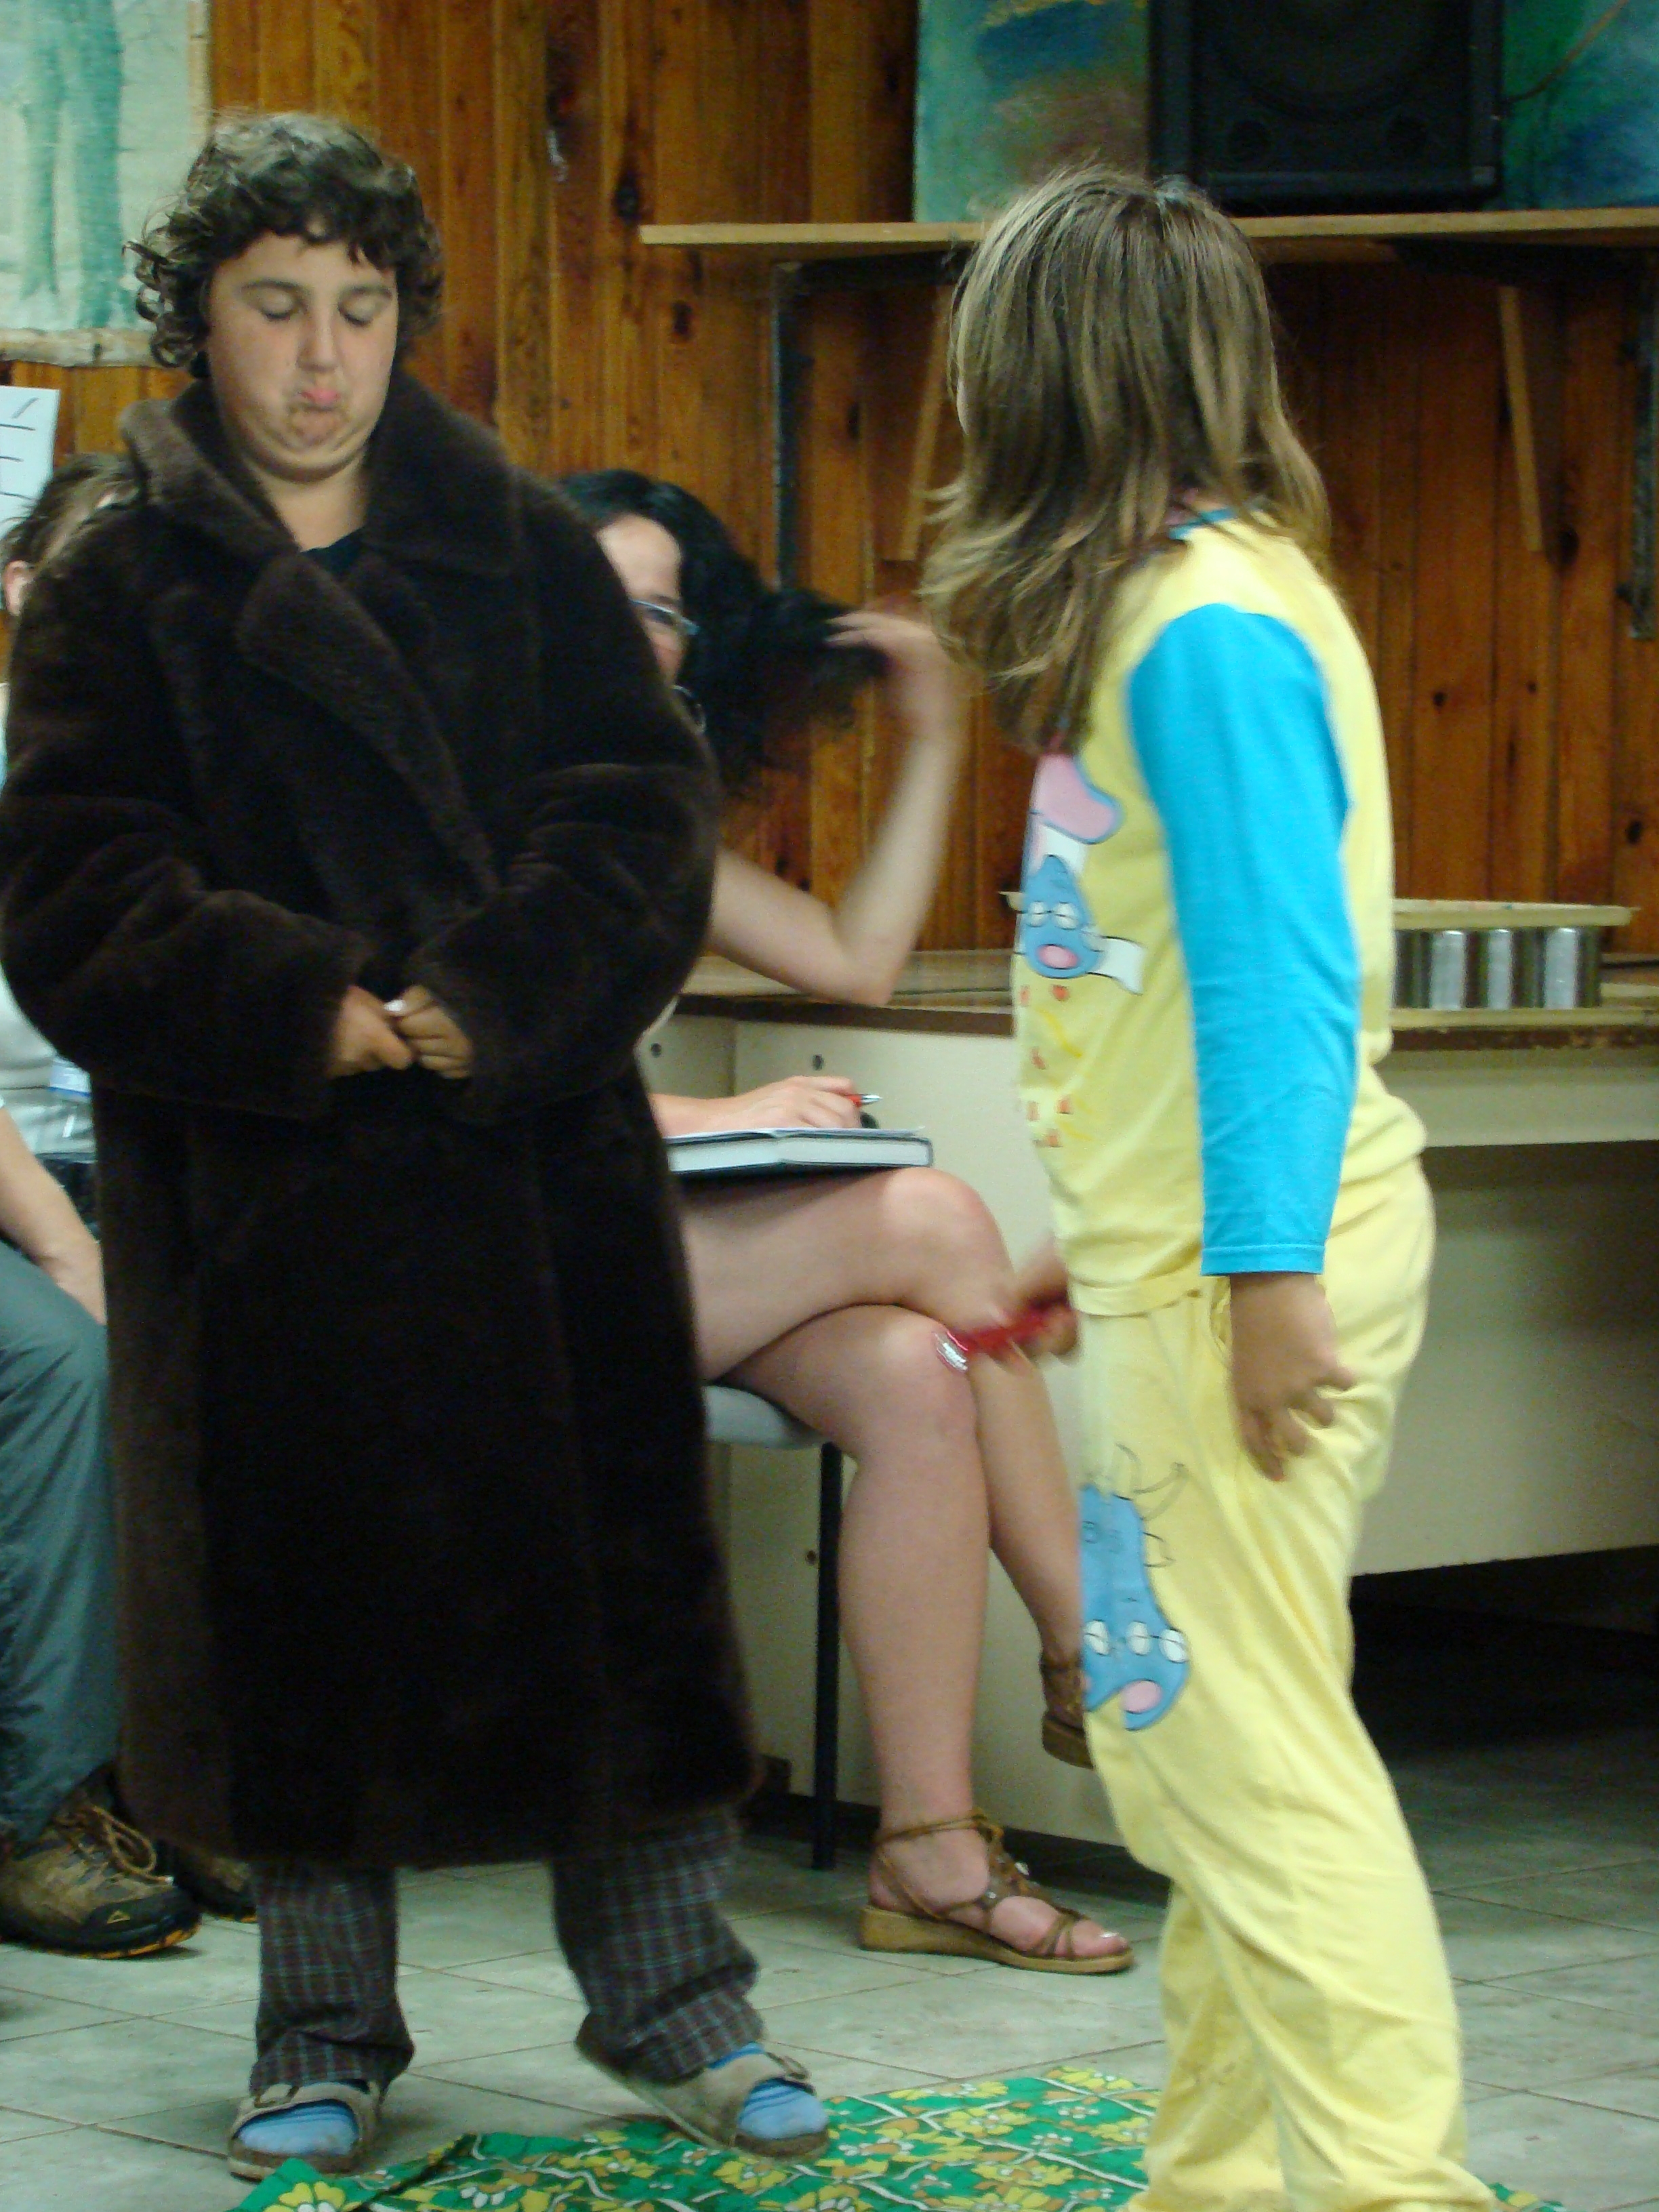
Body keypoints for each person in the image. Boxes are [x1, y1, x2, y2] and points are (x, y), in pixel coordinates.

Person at [0, 113, 826, 2183]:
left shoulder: (524, 544)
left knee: (610, 1609)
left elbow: (642, 816)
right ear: (198, 316)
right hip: (266, 1191)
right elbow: (76, 882)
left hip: (536, 1171)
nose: (320, 357)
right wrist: (307, 1003)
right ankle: (320, 2033)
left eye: (359, 309)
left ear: (402, 319)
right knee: (306, 1626)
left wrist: (502, 988)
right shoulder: (117, 583)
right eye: (275, 305)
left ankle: (683, 2008)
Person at [924, 167, 1492, 2212]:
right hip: (1197, 1259)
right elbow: (1170, 985)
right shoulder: (1190, 603)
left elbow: (1277, 977)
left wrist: (1257, 1272)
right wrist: (1113, 1238)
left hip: (1253, 1268)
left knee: (1244, 1766)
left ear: (1051, 387)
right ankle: (1222, 2179)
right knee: (1211, 1746)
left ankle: (1388, 2188)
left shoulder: (1208, 636)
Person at [564, 470, 1128, 1974]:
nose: (633, 633)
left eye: (664, 612)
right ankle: (1092, 1645)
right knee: (935, 1220)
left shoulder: (647, 818)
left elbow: (855, 956)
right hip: (498, 1252)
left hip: (641, 1236)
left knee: (914, 1373)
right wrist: (717, 1118)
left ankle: (929, 1853)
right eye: (601, 597)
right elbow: (466, 1072)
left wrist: (934, 736)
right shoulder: (456, 797)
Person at [0, 457, 233, 1955]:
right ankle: (41, 1814)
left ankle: (195, 1779)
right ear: (23, 589)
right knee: (71, 1366)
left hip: (133, 1174)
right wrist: (67, 1243)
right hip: (19, 1188)